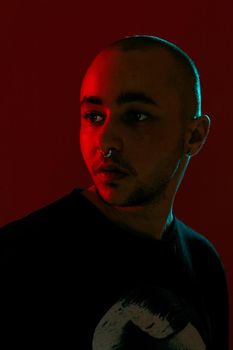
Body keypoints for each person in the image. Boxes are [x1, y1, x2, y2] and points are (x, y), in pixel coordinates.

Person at [0, 35, 228, 349]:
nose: (106, 143)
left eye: (136, 116)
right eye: (94, 117)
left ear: (194, 136)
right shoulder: (19, 260)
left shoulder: (204, 264)